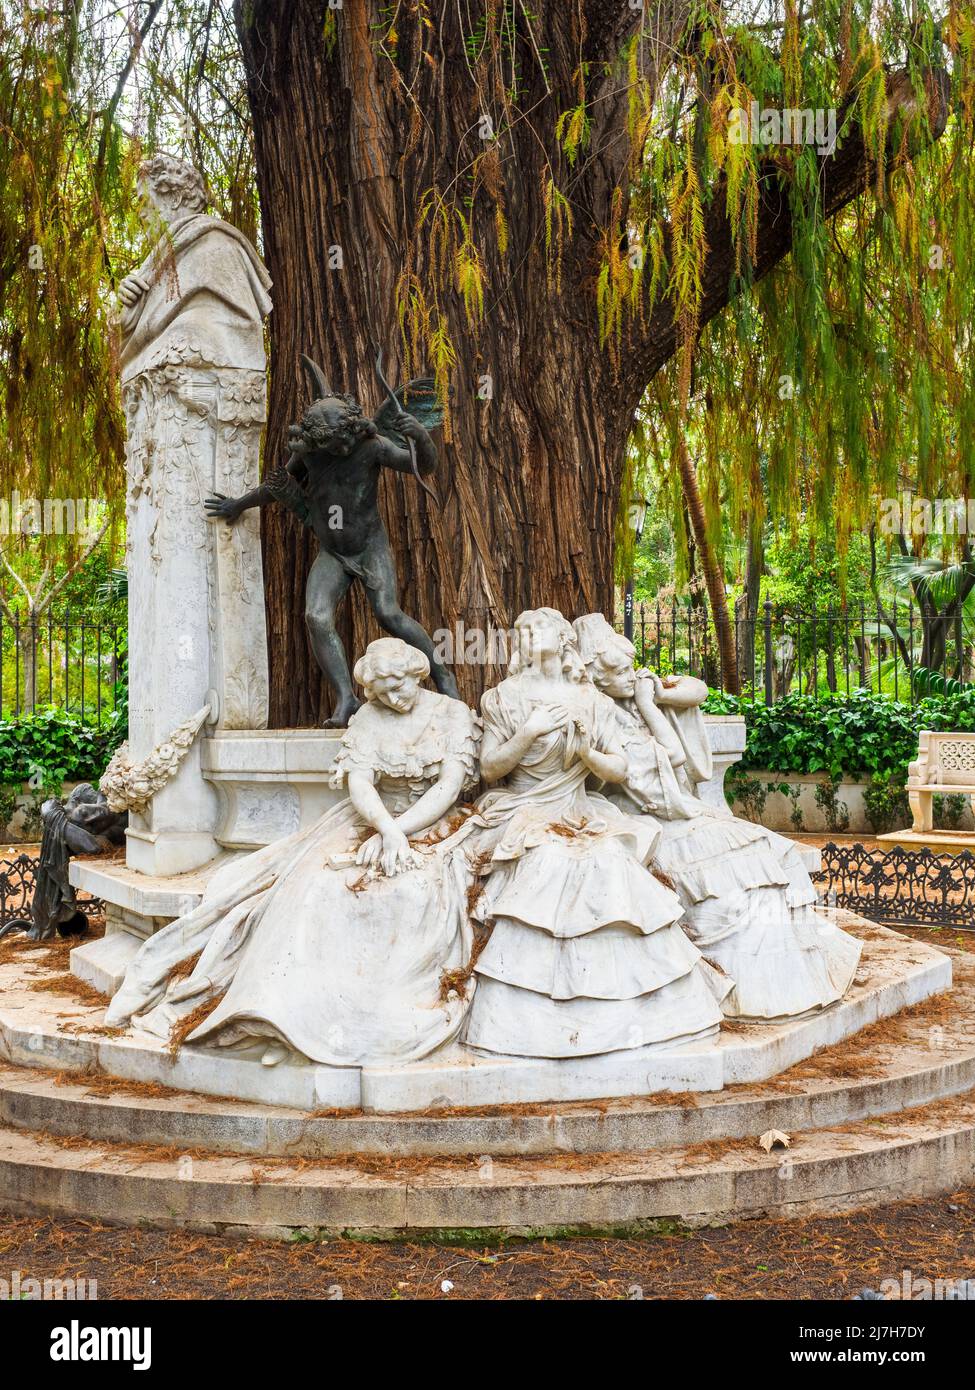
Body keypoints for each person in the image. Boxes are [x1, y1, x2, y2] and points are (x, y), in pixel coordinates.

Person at [106, 639, 479, 1067]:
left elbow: (449, 787)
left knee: (408, 893)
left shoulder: (451, 715)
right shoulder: (370, 718)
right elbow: (360, 784)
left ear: (417, 674)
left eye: (399, 687)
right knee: (313, 890)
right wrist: (385, 829)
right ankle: (280, 1018)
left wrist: (400, 834)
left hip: (433, 825)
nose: (393, 698)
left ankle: (365, 1022)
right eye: (383, 692)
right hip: (371, 822)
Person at [462, 608, 728, 1060]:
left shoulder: (592, 701)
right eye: (520, 629)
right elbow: (490, 770)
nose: (525, 634)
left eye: (536, 627)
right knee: (548, 858)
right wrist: (528, 732)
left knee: (608, 859)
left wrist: (586, 752)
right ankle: (532, 1017)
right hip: (523, 807)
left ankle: (629, 1010)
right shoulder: (503, 698)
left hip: (579, 807)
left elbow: (620, 768)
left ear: (564, 639)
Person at [573, 614, 862, 1021]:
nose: (632, 676)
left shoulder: (633, 703)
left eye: (630, 667)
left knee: (761, 855)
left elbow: (697, 689)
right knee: (740, 877)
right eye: (620, 671)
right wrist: (645, 703)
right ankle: (752, 989)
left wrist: (654, 699)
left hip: (675, 810)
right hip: (645, 815)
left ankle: (780, 985)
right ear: (597, 678)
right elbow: (670, 758)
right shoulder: (605, 715)